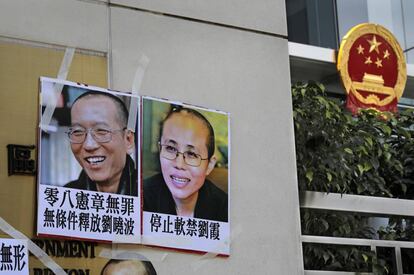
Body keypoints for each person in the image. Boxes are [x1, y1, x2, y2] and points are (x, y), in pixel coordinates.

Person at [144, 106, 228, 222]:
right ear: (160, 150)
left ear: (209, 165)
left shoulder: (223, 208)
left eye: (191, 154)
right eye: (170, 148)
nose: (179, 164)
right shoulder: (141, 198)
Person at [64, 91, 137, 196]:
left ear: (128, 140)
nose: (89, 145)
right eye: (77, 131)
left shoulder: (148, 196)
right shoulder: (68, 195)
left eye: (102, 131)